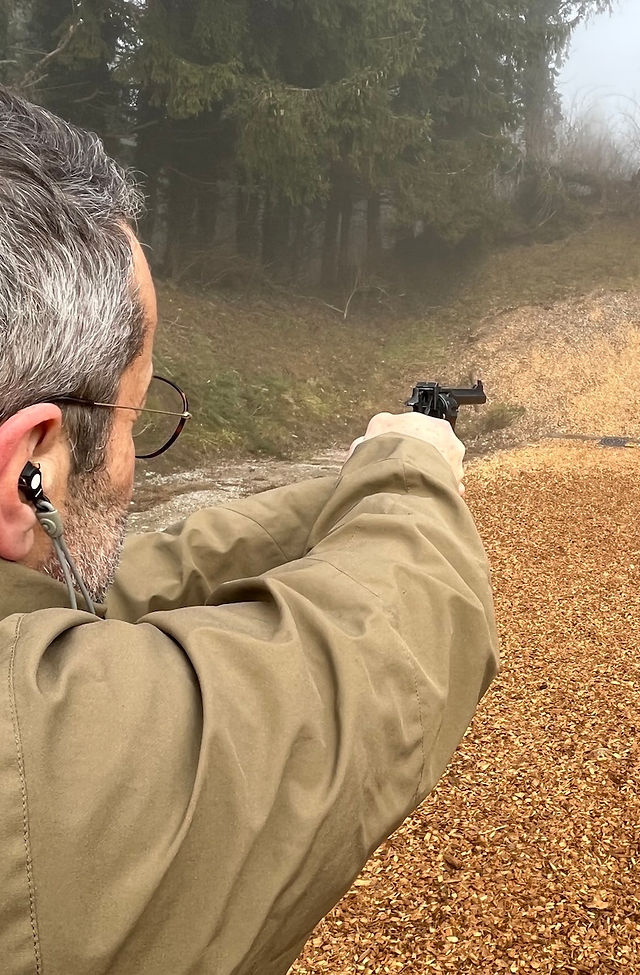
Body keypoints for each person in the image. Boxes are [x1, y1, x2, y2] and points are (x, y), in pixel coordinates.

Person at [0, 87, 499, 975]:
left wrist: (352, 478)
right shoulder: (36, 767)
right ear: (26, 470)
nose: (134, 458)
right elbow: (367, 666)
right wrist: (417, 470)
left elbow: (133, 575)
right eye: (129, 411)